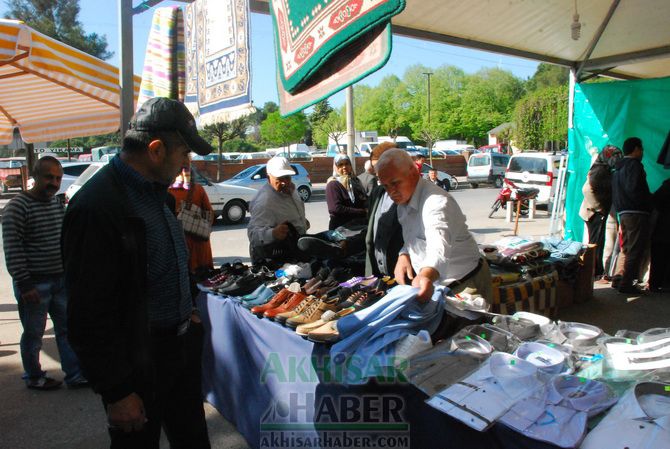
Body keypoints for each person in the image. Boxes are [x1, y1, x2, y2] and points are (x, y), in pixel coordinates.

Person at [62, 97, 212, 448]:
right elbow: (87, 311)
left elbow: (168, 261)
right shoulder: (97, 207)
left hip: (177, 349)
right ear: (157, 150)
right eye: (184, 154)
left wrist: (187, 307)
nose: (186, 163)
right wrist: (117, 391)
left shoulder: (159, 196)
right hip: (137, 363)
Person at [2, 156, 88, 391]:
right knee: (33, 334)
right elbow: (13, 248)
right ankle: (34, 376)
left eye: (58, 178)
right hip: (34, 284)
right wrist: (25, 283)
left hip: (60, 280)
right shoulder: (17, 207)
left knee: (66, 330)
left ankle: (74, 374)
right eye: (49, 177)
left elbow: (63, 240)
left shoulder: (54, 204)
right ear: (35, 177)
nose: (54, 182)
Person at [376, 149, 492, 303]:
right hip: (437, 285)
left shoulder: (436, 202)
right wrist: (404, 255)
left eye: (395, 183)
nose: (391, 192)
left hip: (465, 285)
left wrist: (425, 276)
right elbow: (414, 237)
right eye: (386, 186)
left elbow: (438, 246)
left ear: (413, 173)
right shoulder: (402, 203)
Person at [248, 156, 308, 265]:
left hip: (294, 251)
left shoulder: (291, 190)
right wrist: (273, 233)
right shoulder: (264, 201)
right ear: (268, 178)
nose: (285, 182)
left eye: (287, 177)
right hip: (275, 259)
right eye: (280, 179)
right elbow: (253, 235)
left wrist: (302, 222)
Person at [611, 137, 653, 294]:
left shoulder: (618, 167)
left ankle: (618, 278)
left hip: (623, 211)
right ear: (636, 149)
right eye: (641, 149)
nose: (642, 153)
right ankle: (626, 283)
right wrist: (648, 203)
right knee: (635, 249)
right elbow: (635, 189)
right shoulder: (634, 166)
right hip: (637, 212)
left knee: (626, 248)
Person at [579, 145, 622, 277]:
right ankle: (593, 271)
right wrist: (598, 208)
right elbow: (586, 190)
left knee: (598, 242)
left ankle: (596, 270)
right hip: (593, 213)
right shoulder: (599, 170)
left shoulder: (603, 168)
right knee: (595, 243)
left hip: (596, 213)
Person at [168, 167, 215, 277]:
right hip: (200, 239)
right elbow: (209, 213)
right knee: (204, 278)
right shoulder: (198, 189)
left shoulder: (168, 191)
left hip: (180, 240)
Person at [326, 154, 368, 230]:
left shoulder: (355, 181)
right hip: (341, 229)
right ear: (336, 167)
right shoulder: (333, 184)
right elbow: (335, 208)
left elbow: (363, 199)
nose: (344, 167)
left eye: (346, 164)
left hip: (358, 226)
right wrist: (361, 211)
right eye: (340, 165)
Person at [649, 178, 670, 292]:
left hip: (662, 227)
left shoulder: (666, 185)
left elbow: (655, 200)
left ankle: (655, 283)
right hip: (664, 228)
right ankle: (658, 283)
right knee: (661, 256)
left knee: (659, 256)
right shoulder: (667, 185)